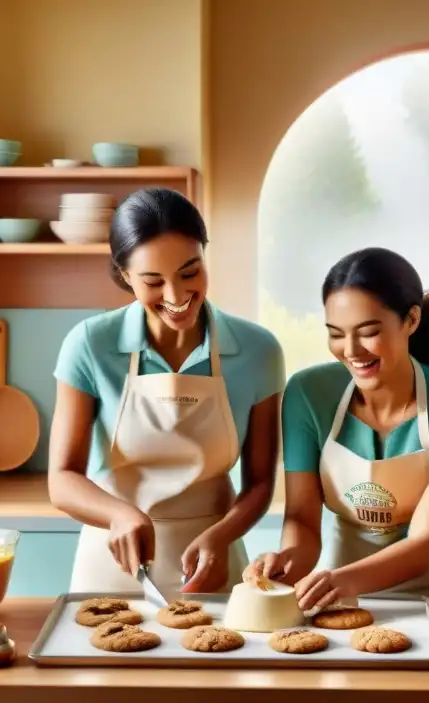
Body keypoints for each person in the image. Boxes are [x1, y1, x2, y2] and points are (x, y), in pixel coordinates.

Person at [48, 188, 285, 596]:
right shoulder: (89, 344)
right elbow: (62, 478)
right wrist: (120, 515)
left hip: (215, 562)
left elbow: (260, 483)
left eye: (190, 272)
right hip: (112, 563)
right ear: (124, 275)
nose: (176, 297)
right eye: (153, 281)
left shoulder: (258, 351)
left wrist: (220, 537)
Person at [245, 247, 429, 610]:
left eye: (368, 332)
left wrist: (340, 581)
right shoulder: (308, 394)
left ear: (411, 320)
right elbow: (301, 519)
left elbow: (423, 543)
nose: (350, 350)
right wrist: (285, 562)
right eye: (336, 334)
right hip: (341, 590)